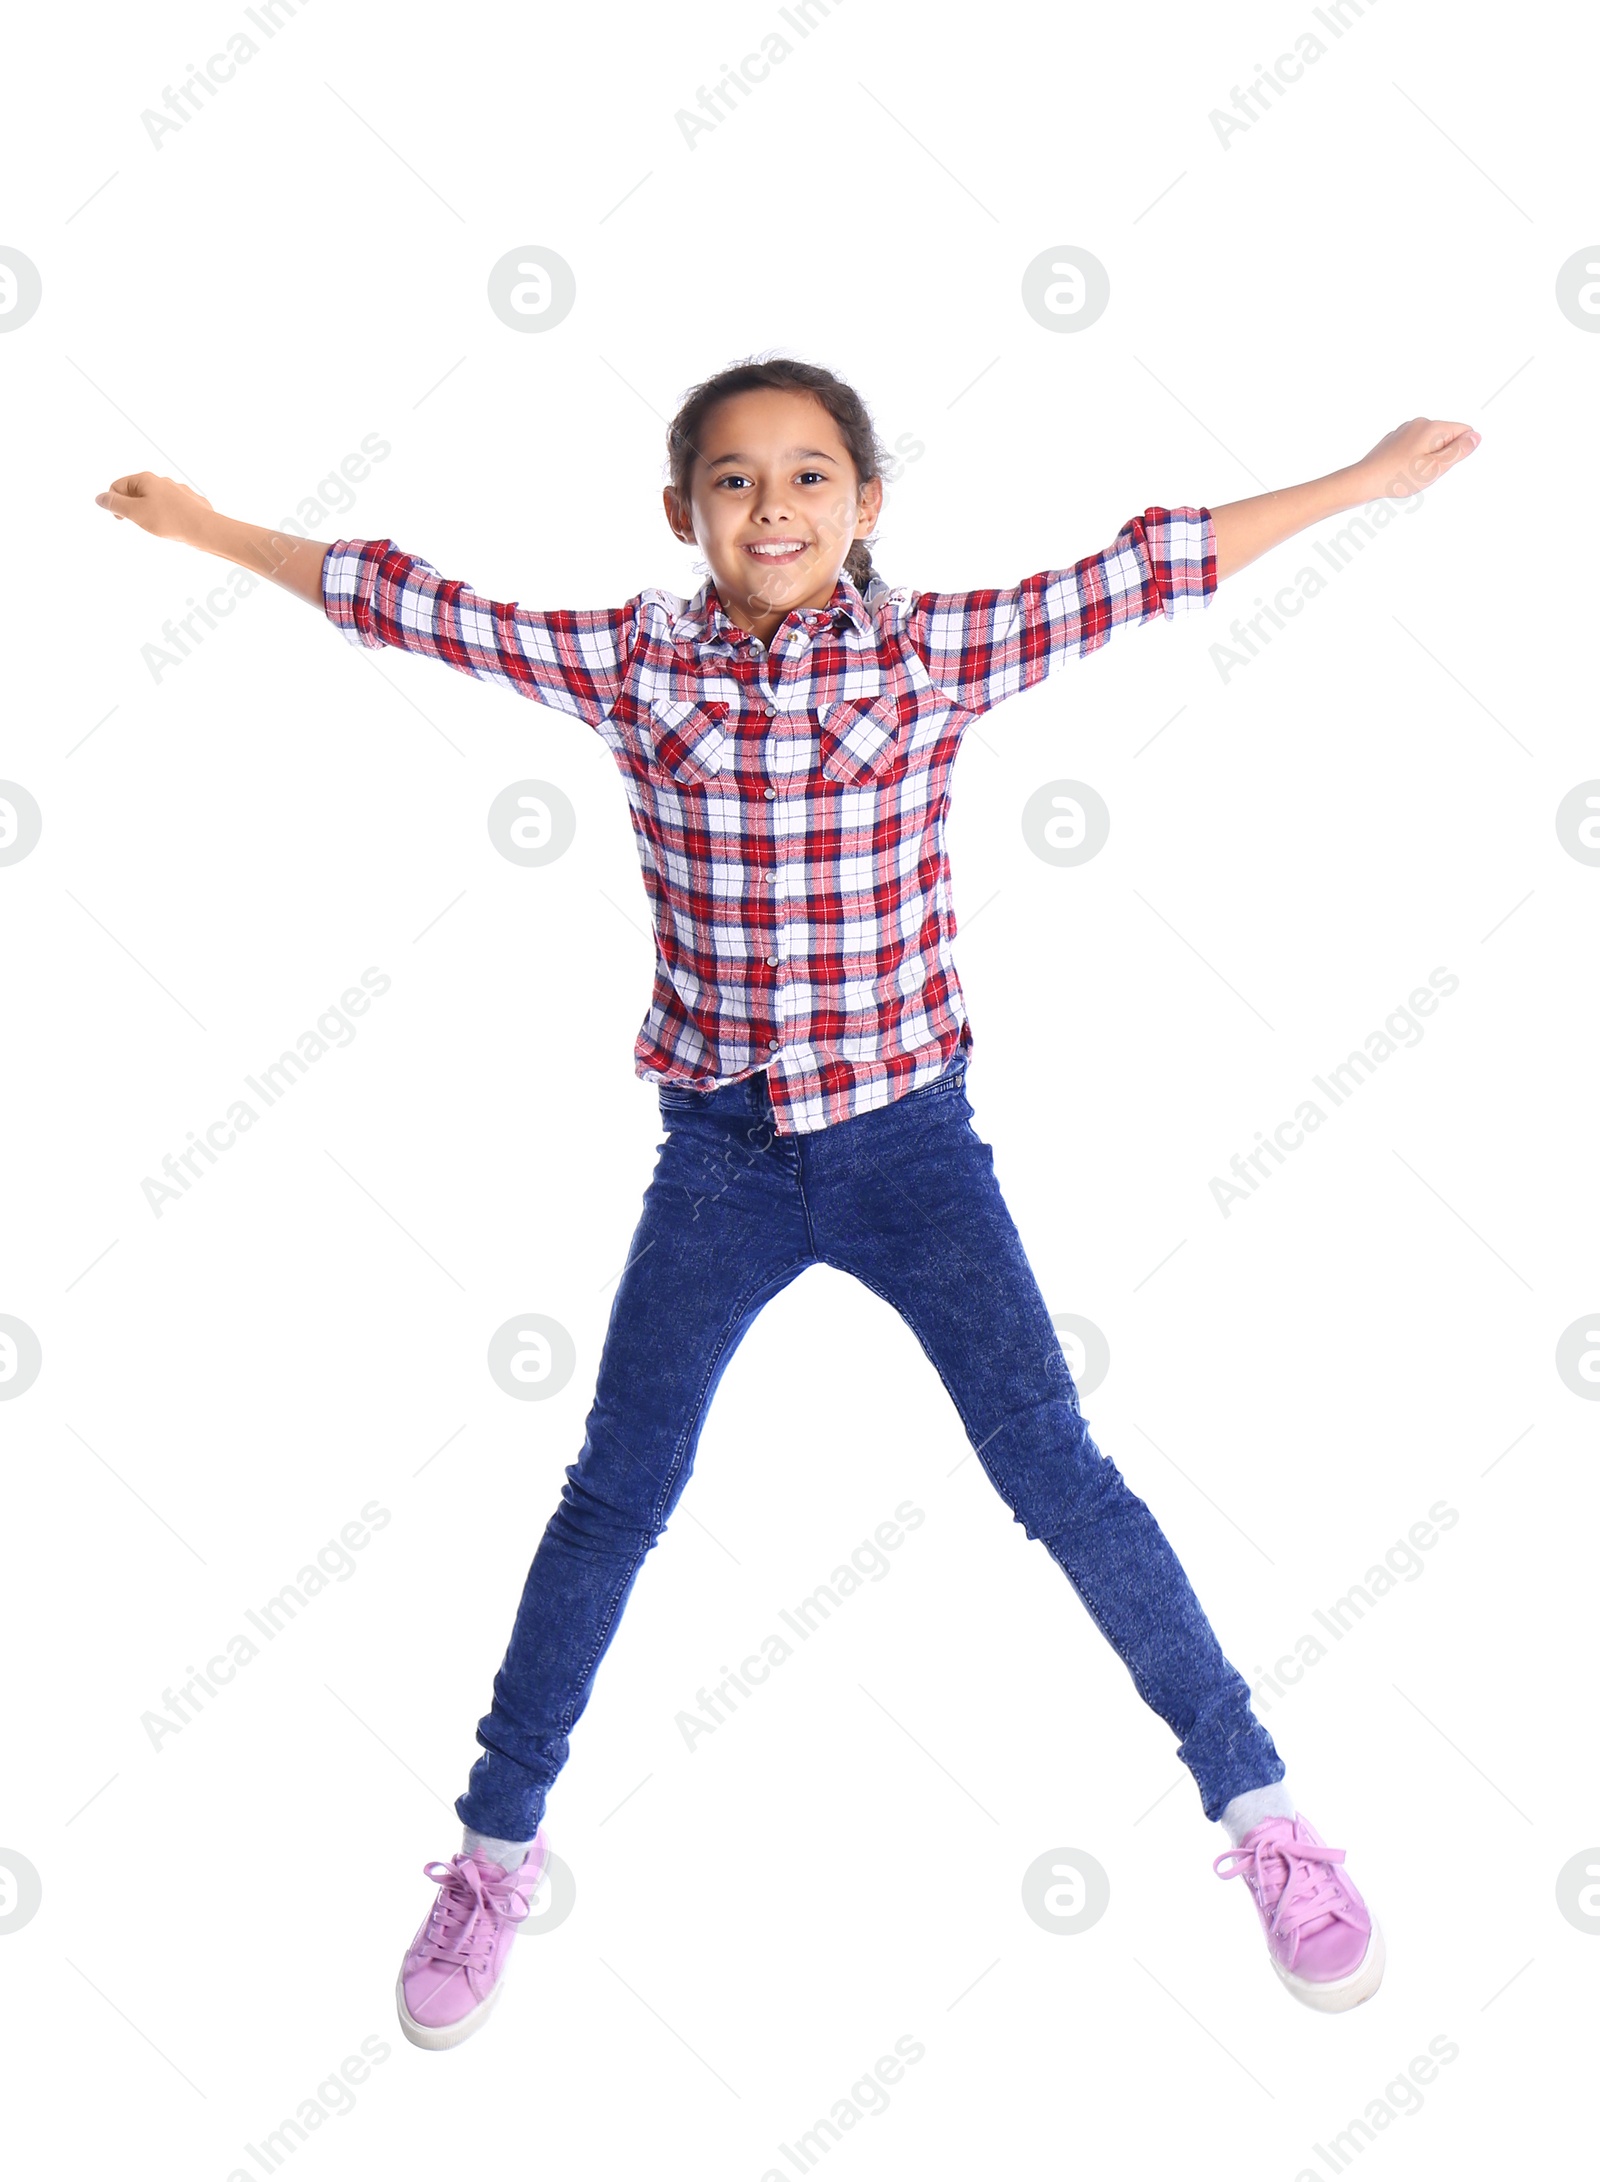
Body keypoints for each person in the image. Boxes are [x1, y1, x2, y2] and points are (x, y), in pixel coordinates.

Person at [95, 358, 1480, 2047]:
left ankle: (1268, 1818)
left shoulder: (928, 653)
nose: (775, 508)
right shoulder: (636, 663)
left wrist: (1356, 479)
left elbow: (1147, 566)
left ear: (867, 504)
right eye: (736, 481)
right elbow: (413, 604)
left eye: (811, 476)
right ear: (682, 513)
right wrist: (217, 528)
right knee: (615, 1494)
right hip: (722, 1166)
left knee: (1058, 1471)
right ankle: (487, 1853)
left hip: (915, 1155)